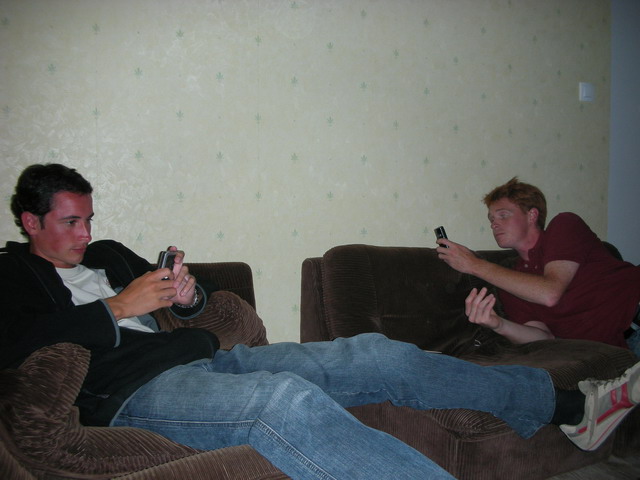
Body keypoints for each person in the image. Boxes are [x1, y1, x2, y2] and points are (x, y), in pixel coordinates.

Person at [1, 165, 639, 479]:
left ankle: (568, 405)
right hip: (131, 392)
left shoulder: (110, 256)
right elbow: (17, 346)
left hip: (205, 358)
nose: (85, 234)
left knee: (376, 353)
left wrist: (187, 298)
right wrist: (118, 308)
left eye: (89, 219)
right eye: (70, 222)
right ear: (31, 222)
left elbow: (190, 307)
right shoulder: (12, 276)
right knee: (282, 401)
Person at [436, 177, 640, 357]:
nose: (494, 224)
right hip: (617, 352)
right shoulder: (511, 281)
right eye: (491, 219)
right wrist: (498, 324)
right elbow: (544, 338)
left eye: (503, 215)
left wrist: (474, 264)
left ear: (532, 215)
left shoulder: (564, 226)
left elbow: (550, 293)